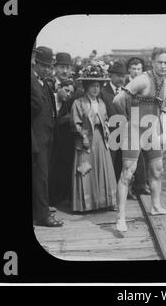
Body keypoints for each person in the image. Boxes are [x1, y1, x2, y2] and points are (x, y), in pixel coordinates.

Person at [113, 47, 166, 232]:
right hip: (133, 130)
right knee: (127, 174)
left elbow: (159, 111)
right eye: (159, 62)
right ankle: (120, 218)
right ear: (153, 62)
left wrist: (157, 130)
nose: (163, 66)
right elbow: (117, 100)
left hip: (150, 132)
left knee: (157, 170)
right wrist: (127, 120)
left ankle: (156, 207)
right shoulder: (142, 80)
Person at [71, 65, 116, 212]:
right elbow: (75, 123)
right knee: (86, 170)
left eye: (98, 86)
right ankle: (86, 205)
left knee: (102, 168)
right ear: (86, 87)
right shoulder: (78, 103)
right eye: (92, 86)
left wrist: (107, 126)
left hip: (100, 138)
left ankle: (104, 202)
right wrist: (83, 135)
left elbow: (106, 118)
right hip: (85, 139)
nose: (95, 89)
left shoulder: (101, 103)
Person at [31, 46, 63, 227]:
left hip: (47, 137)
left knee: (43, 176)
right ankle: (43, 216)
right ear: (35, 62)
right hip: (37, 137)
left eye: (49, 66)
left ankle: (41, 210)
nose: (47, 69)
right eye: (43, 65)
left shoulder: (43, 82)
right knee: (40, 177)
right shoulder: (32, 80)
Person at [48, 52, 76, 207]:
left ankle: (61, 198)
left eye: (67, 67)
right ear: (55, 68)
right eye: (61, 67)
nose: (65, 71)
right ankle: (50, 198)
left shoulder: (74, 87)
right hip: (48, 132)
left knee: (64, 164)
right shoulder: (48, 83)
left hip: (64, 135)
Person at [99, 61, 128, 185]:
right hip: (109, 134)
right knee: (109, 163)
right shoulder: (102, 92)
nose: (121, 79)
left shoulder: (127, 92)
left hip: (124, 133)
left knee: (122, 164)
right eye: (118, 76)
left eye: (123, 76)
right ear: (111, 75)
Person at [125, 57, 151, 197]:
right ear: (129, 69)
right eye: (133, 69)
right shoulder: (125, 85)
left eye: (139, 69)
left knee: (146, 155)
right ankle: (137, 186)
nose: (136, 72)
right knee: (134, 157)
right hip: (128, 124)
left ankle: (142, 184)